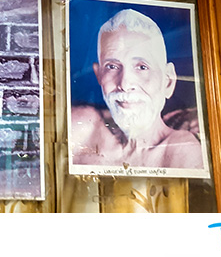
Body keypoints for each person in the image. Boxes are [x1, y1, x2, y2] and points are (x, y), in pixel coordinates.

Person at [70, 9, 203, 169]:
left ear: (168, 81)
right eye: (112, 66)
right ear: (99, 74)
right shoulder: (83, 127)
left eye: (141, 67)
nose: (125, 85)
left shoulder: (182, 152)